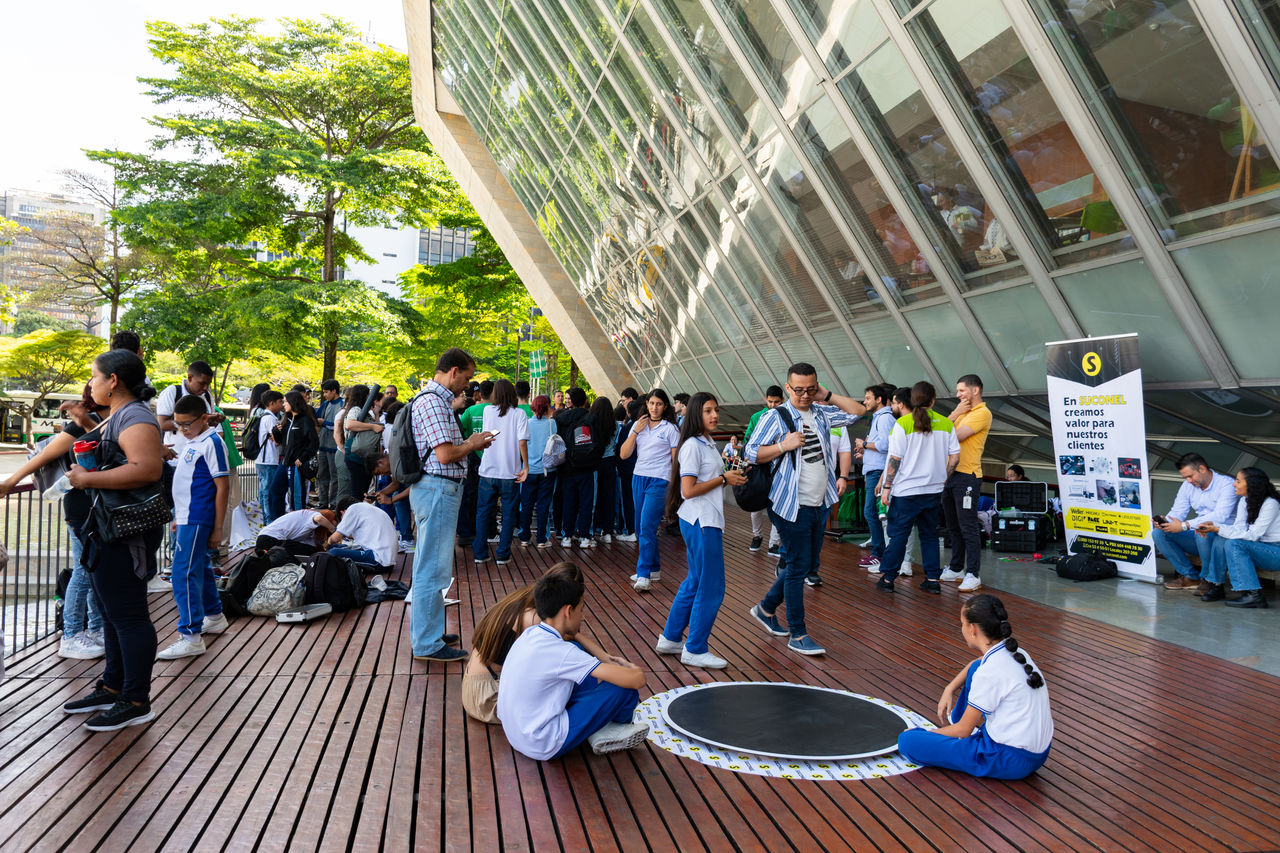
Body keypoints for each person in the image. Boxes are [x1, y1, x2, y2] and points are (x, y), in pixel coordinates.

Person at [62, 350, 166, 731]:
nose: (91, 384)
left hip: (127, 531)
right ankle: (113, 684)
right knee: (109, 611)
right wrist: (84, 420)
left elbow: (147, 468)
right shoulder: (119, 416)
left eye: (94, 377)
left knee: (129, 614)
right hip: (107, 528)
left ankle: (136, 698)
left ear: (113, 381)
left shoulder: (136, 415)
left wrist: (87, 480)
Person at [745, 364, 866, 656]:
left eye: (810, 389)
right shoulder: (776, 416)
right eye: (798, 389)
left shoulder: (822, 411)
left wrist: (828, 394)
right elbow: (750, 452)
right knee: (798, 567)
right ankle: (797, 634)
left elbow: (859, 411)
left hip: (818, 502)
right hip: (789, 504)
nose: (804, 395)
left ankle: (766, 609)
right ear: (788, 388)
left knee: (804, 564)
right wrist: (782, 446)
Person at [496, 562, 649, 759]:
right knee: (624, 690)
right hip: (543, 742)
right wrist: (630, 668)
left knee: (585, 663)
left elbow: (573, 641)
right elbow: (637, 680)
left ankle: (596, 725)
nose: (582, 616)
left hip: (516, 733)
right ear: (568, 611)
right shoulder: (562, 652)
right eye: (581, 609)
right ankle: (609, 730)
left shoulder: (531, 633)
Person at [0, 385, 106, 659]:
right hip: (81, 509)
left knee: (94, 570)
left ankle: (95, 629)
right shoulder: (78, 427)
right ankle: (71, 634)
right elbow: (44, 457)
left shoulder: (101, 423)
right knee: (85, 570)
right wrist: (10, 481)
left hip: (96, 509)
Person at [898, 594, 1053, 779]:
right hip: (1039, 753)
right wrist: (950, 687)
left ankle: (952, 735)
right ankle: (958, 723)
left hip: (1008, 758)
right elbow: (976, 664)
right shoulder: (1016, 652)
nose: (961, 629)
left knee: (908, 741)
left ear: (972, 629)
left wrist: (927, 733)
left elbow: (963, 730)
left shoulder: (990, 673)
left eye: (962, 624)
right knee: (975, 669)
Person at [408, 348, 494, 662]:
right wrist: (473, 443)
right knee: (433, 569)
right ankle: (428, 643)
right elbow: (445, 455)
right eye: (468, 378)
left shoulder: (435, 401)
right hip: (438, 490)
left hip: (437, 490)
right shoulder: (432, 402)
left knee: (430, 566)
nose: (468, 386)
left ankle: (427, 633)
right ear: (454, 371)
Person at [655, 393, 746, 669]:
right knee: (712, 585)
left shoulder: (706, 443)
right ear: (697, 414)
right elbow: (688, 490)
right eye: (708, 411)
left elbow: (704, 484)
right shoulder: (693, 446)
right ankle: (695, 647)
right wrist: (722, 478)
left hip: (701, 520)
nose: (714, 415)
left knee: (696, 580)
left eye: (716, 410)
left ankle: (671, 638)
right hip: (701, 521)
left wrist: (727, 479)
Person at [156, 394, 231, 660]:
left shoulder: (212, 442)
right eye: (178, 424)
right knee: (198, 566)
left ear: (203, 419)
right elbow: (188, 481)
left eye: (187, 424)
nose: (182, 429)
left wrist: (218, 528)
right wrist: (180, 514)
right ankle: (214, 614)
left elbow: (222, 485)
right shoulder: (193, 440)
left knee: (182, 574)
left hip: (198, 517)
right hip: (188, 516)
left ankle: (190, 635)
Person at [875, 382, 961, 595]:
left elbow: (895, 459)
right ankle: (932, 579)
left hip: (906, 492)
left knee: (899, 536)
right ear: (933, 400)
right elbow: (955, 458)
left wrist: (887, 488)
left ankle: (888, 578)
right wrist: (944, 477)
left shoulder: (903, 424)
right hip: (933, 491)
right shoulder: (945, 424)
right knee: (929, 535)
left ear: (912, 401)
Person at [618, 390, 680, 591]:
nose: (655, 407)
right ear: (646, 404)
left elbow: (675, 460)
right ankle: (653, 568)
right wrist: (635, 431)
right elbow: (624, 454)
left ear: (665, 406)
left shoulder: (671, 429)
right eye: (652, 403)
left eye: (659, 404)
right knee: (639, 526)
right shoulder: (638, 425)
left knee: (646, 526)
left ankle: (643, 573)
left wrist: (674, 488)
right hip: (639, 477)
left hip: (660, 479)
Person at [1153, 452, 1237, 591]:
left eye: (1190, 476)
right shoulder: (1188, 485)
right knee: (1158, 534)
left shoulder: (1226, 484)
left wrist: (1185, 525)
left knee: (1202, 531)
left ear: (1202, 469)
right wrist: (1165, 522)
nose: (1188, 480)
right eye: (1185, 477)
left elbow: (1220, 516)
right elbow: (1178, 512)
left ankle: (1207, 579)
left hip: (1220, 537)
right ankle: (1190, 577)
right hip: (1197, 538)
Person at [1196, 467, 1280, 609]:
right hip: (1261, 549)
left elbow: (1253, 535)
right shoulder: (1244, 501)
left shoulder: (1271, 503)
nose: (1234, 484)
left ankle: (1254, 595)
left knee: (1234, 544)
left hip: (1275, 552)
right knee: (1221, 538)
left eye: (1238, 481)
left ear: (1252, 484)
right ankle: (1217, 586)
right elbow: (1239, 529)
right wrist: (1215, 527)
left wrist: (1218, 528)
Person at [939, 375, 992, 593]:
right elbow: (940, 433)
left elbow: (954, 436)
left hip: (967, 476)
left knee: (968, 526)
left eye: (962, 390)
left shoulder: (982, 413)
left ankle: (973, 573)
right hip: (949, 475)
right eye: (958, 391)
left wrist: (955, 414)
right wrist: (957, 413)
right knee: (952, 526)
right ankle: (956, 567)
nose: (958, 395)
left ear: (975, 390)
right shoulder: (962, 412)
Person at [474, 379, 530, 565]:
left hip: (488, 470)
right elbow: (522, 441)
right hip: (510, 472)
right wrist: (526, 467)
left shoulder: (487, 411)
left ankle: (480, 553)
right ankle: (503, 554)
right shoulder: (519, 414)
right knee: (508, 514)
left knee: (483, 512)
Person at [554, 388, 608, 548]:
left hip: (567, 467)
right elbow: (599, 442)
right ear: (585, 401)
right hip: (587, 468)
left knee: (569, 502)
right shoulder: (592, 419)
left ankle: (567, 536)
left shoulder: (562, 419)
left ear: (571, 400)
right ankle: (584, 536)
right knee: (586, 503)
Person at [855, 384, 896, 572]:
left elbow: (886, 445)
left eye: (868, 398)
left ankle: (879, 553)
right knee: (872, 512)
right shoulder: (879, 418)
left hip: (878, 471)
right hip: (873, 469)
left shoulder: (885, 418)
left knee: (871, 512)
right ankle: (880, 551)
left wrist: (864, 443)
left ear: (879, 399)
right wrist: (865, 453)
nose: (865, 401)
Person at [745, 385, 784, 554]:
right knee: (756, 506)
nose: (773, 405)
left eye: (776, 402)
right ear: (766, 400)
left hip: (778, 467)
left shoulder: (786, 416)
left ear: (782, 401)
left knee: (777, 504)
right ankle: (757, 535)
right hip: (759, 466)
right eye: (770, 402)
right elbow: (748, 440)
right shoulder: (757, 417)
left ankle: (774, 543)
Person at [458, 380, 494, 544]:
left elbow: (461, 431)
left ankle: (466, 531)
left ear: (480, 393)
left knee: (469, 494)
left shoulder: (471, 410)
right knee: (488, 495)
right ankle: (488, 530)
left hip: (471, 455)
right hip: (491, 456)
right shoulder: (497, 411)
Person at [324, 494, 399, 573]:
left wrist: (328, 542)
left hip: (379, 561)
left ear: (342, 512)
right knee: (338, 547)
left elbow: (336, 537)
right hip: (386, 559)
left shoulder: (352, 509)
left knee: (334, 552)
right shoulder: (366, 508)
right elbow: (353, 535)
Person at [519, 395, 556, 548]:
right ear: (547, 407)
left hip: (529, 470)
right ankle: (541, 539)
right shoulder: (551, 423)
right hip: (548, 470)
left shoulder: (526, 424)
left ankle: (524, 537)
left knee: (526, 505)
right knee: (543, 505)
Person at [278, 390, 318, 514]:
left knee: (297, 495)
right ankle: (286, 520)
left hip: (297, 465)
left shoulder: (305, 421)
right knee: (281, 492)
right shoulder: (287, 420)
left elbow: (314, 443)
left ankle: (299, 522)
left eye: (285, 401)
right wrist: (276, 431)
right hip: (286, 463)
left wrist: (301, 458)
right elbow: (281, 442)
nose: (283, 404)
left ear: (293, 402)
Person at [342, 385, 383, 500]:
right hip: (356, 455)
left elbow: (376, 430)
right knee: (357, 492)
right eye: (368, 395)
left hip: (360, 455)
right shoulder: (356, 409)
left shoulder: (364, 412)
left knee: (361, 490)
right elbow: (350, 425)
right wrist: (372, 426)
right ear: (363, 396)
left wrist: (376, 414)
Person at [590, 397, 619, 544]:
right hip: (610, 462)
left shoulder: (591, 423)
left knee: (593, 497)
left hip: (595, 462)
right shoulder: (614, 425)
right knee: (608, 497)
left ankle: (592, 528)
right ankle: (607, 531)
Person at [256, 508, 337, 560]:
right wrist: (334, 530)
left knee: (311, 551)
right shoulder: (313, 515)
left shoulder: (310, 531)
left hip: (265, 539)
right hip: (269, 539)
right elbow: (319, 519)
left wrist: (325, 544)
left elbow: (311, 545)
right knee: (311, 552)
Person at [613, 399, 642, 543]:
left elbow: (621, 450)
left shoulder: (627, 428)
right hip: (641, 469)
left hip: (627, 469)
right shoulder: (647, 427)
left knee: (628, 500)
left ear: (629, 413)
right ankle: (640, 529)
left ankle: (630, 530)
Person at [254, 391, 285, 523]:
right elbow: (276, 439)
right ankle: (269, 521)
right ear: (271, 403)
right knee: (268, 492)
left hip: (261, 460)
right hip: (269, 460)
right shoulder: (270, 418)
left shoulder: (263, 416)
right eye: (280, 402)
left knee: (263, 491)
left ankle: (265, 519)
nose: (282, 404)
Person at [315, 380, 343, 510]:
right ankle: (322, 502)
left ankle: (333, 503)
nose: (325, 395)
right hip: (323, 445)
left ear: (334, 391)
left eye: (326, 392)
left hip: (334, 447)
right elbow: (316, 418)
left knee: (334, 476)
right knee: (322, 475)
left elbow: (339, 426)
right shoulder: (325, 404)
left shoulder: (342, 405)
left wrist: (324, 422)